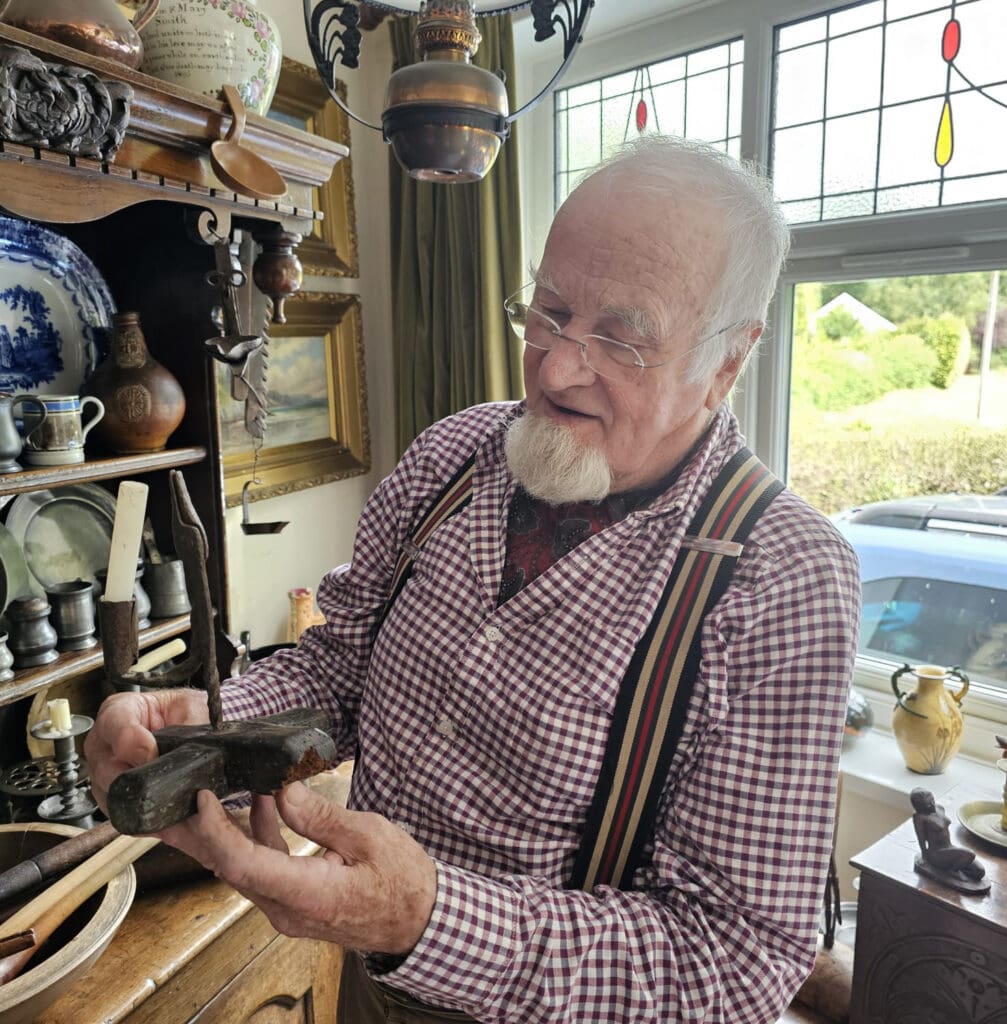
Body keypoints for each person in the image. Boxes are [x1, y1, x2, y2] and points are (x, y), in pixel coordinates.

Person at [86, 136, 861, 1023]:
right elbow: (340, 671)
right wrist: (208, 722)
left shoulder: (784, 578)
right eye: (549, 310)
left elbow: (734, 962)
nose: (556, 368)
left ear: (727, 362)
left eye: (622, 338)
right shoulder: (452, 455)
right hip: (365, 984)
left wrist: (427, 921)